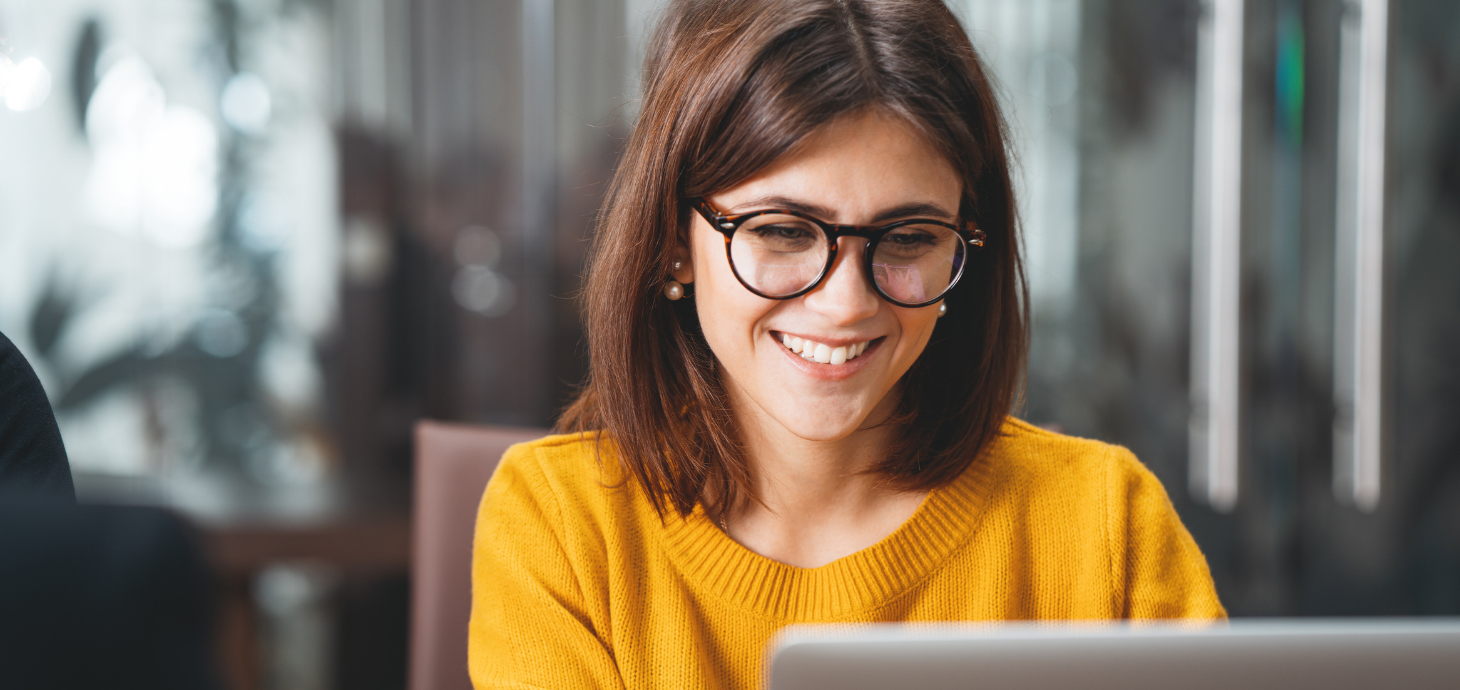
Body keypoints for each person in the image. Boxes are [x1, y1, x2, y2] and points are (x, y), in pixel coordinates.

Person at [469, 1, 1224, 687]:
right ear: (673, 240)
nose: (845, 304)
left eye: (908, 238)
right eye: (782, 232)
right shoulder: (562, 528)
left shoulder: (1105, 523)